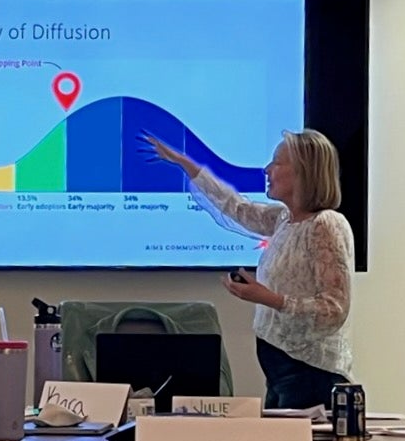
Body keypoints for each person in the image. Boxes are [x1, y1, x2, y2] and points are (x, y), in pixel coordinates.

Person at [145, 129, 354, 409]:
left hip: (310, 373)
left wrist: (269, 298)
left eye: (277, 163)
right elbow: (238, 208)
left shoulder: (326, 225)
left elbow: (334, 308)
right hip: (280, 370)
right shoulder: (284, 219)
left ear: (304, 172)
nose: (267, 170)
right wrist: (187, 164)